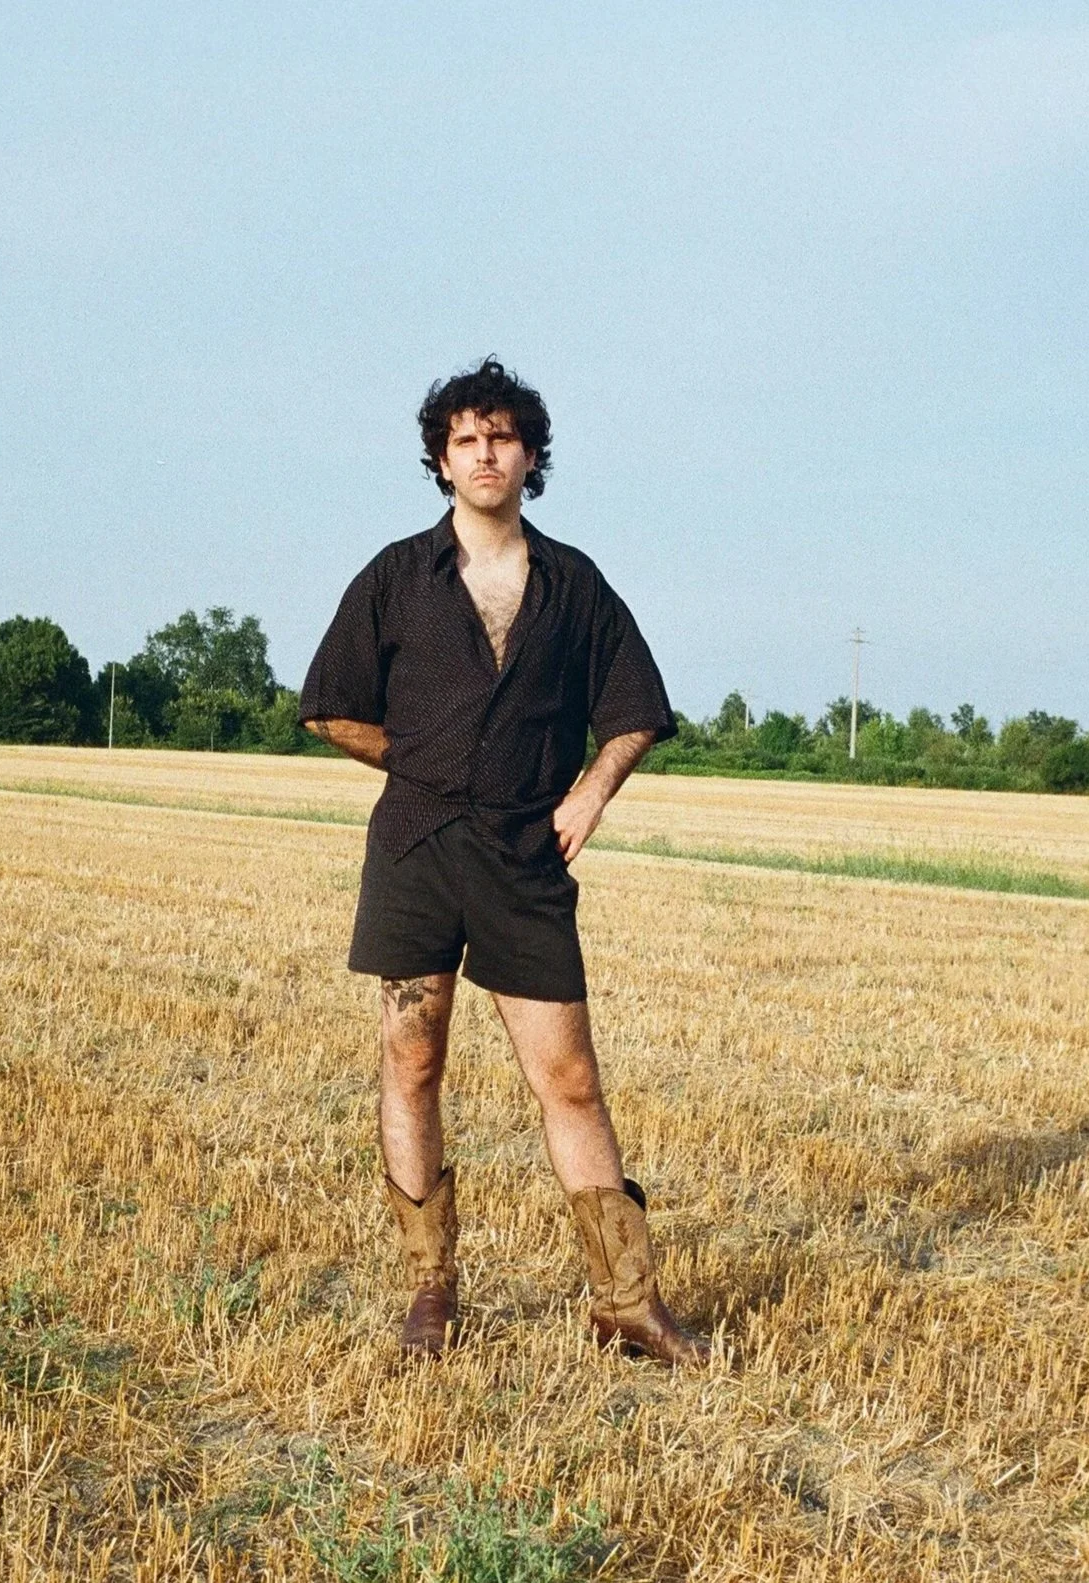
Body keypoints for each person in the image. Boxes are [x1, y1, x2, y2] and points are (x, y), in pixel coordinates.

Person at [299, 357, 708, 1366]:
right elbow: (329, 704)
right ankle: (430, 1291)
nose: (484, 455)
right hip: (415, 847)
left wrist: (590, 790)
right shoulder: (395, 576)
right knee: (413, 1056)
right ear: (440, 460)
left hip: (525, 855)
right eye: (465, 440)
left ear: (530, 455)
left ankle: (625, 1298)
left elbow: (635, 709)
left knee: (566, 1075)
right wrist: (426, 763)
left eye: (502, 437)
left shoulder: (573, 584)